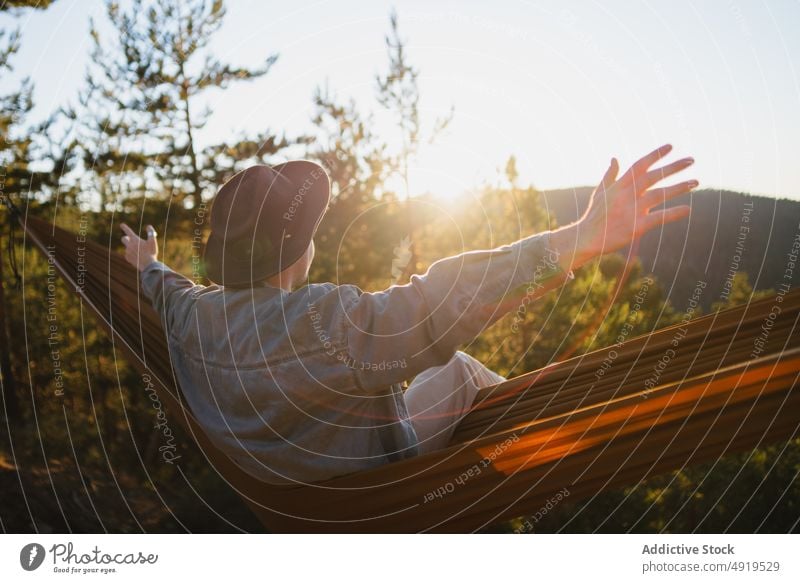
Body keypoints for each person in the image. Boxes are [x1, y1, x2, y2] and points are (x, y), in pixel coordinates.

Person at [120, 144, 696, 485]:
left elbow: (166, 289)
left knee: (430, 375)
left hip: (289, 499)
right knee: (461, 372)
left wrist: (146, 263)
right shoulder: (321, 323)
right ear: (302, 247)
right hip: (374, 490)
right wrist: (580, 237)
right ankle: (549, 461)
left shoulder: (194, 317)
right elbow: (440, 300)